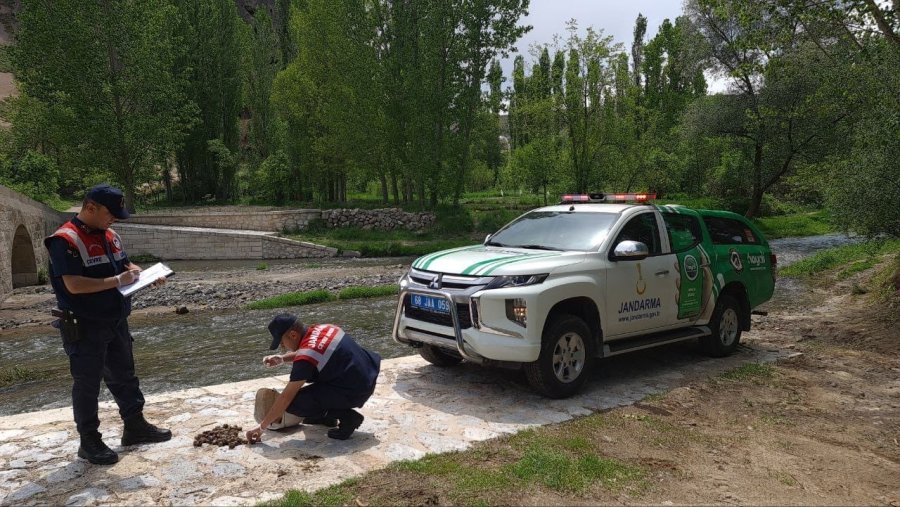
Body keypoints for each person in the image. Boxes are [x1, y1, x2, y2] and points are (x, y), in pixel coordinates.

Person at [44, 183, 171, 465]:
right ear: (90, 207)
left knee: (125, 374)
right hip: (84, 324)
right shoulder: (64, 240)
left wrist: (139, 273)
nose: (114, 218)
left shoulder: (110, 234)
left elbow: (124, 266)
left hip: (115, 319)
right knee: (87, 383)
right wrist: (116, 281)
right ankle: (89, 441)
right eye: (110, 213)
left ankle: (134, 426)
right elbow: (73, 284)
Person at [246, 313, 381, 443]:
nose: (282, 347)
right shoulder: (323, 328)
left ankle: (349, 418)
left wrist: (262, 427)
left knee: (295, 404)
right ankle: (326, 418)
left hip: (356, 390)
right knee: (316, 373)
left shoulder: (306, 357)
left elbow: (286, 397)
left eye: (281, 343)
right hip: (367, 374)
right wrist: (282, 359)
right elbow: (315, 349)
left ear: (293, 335)